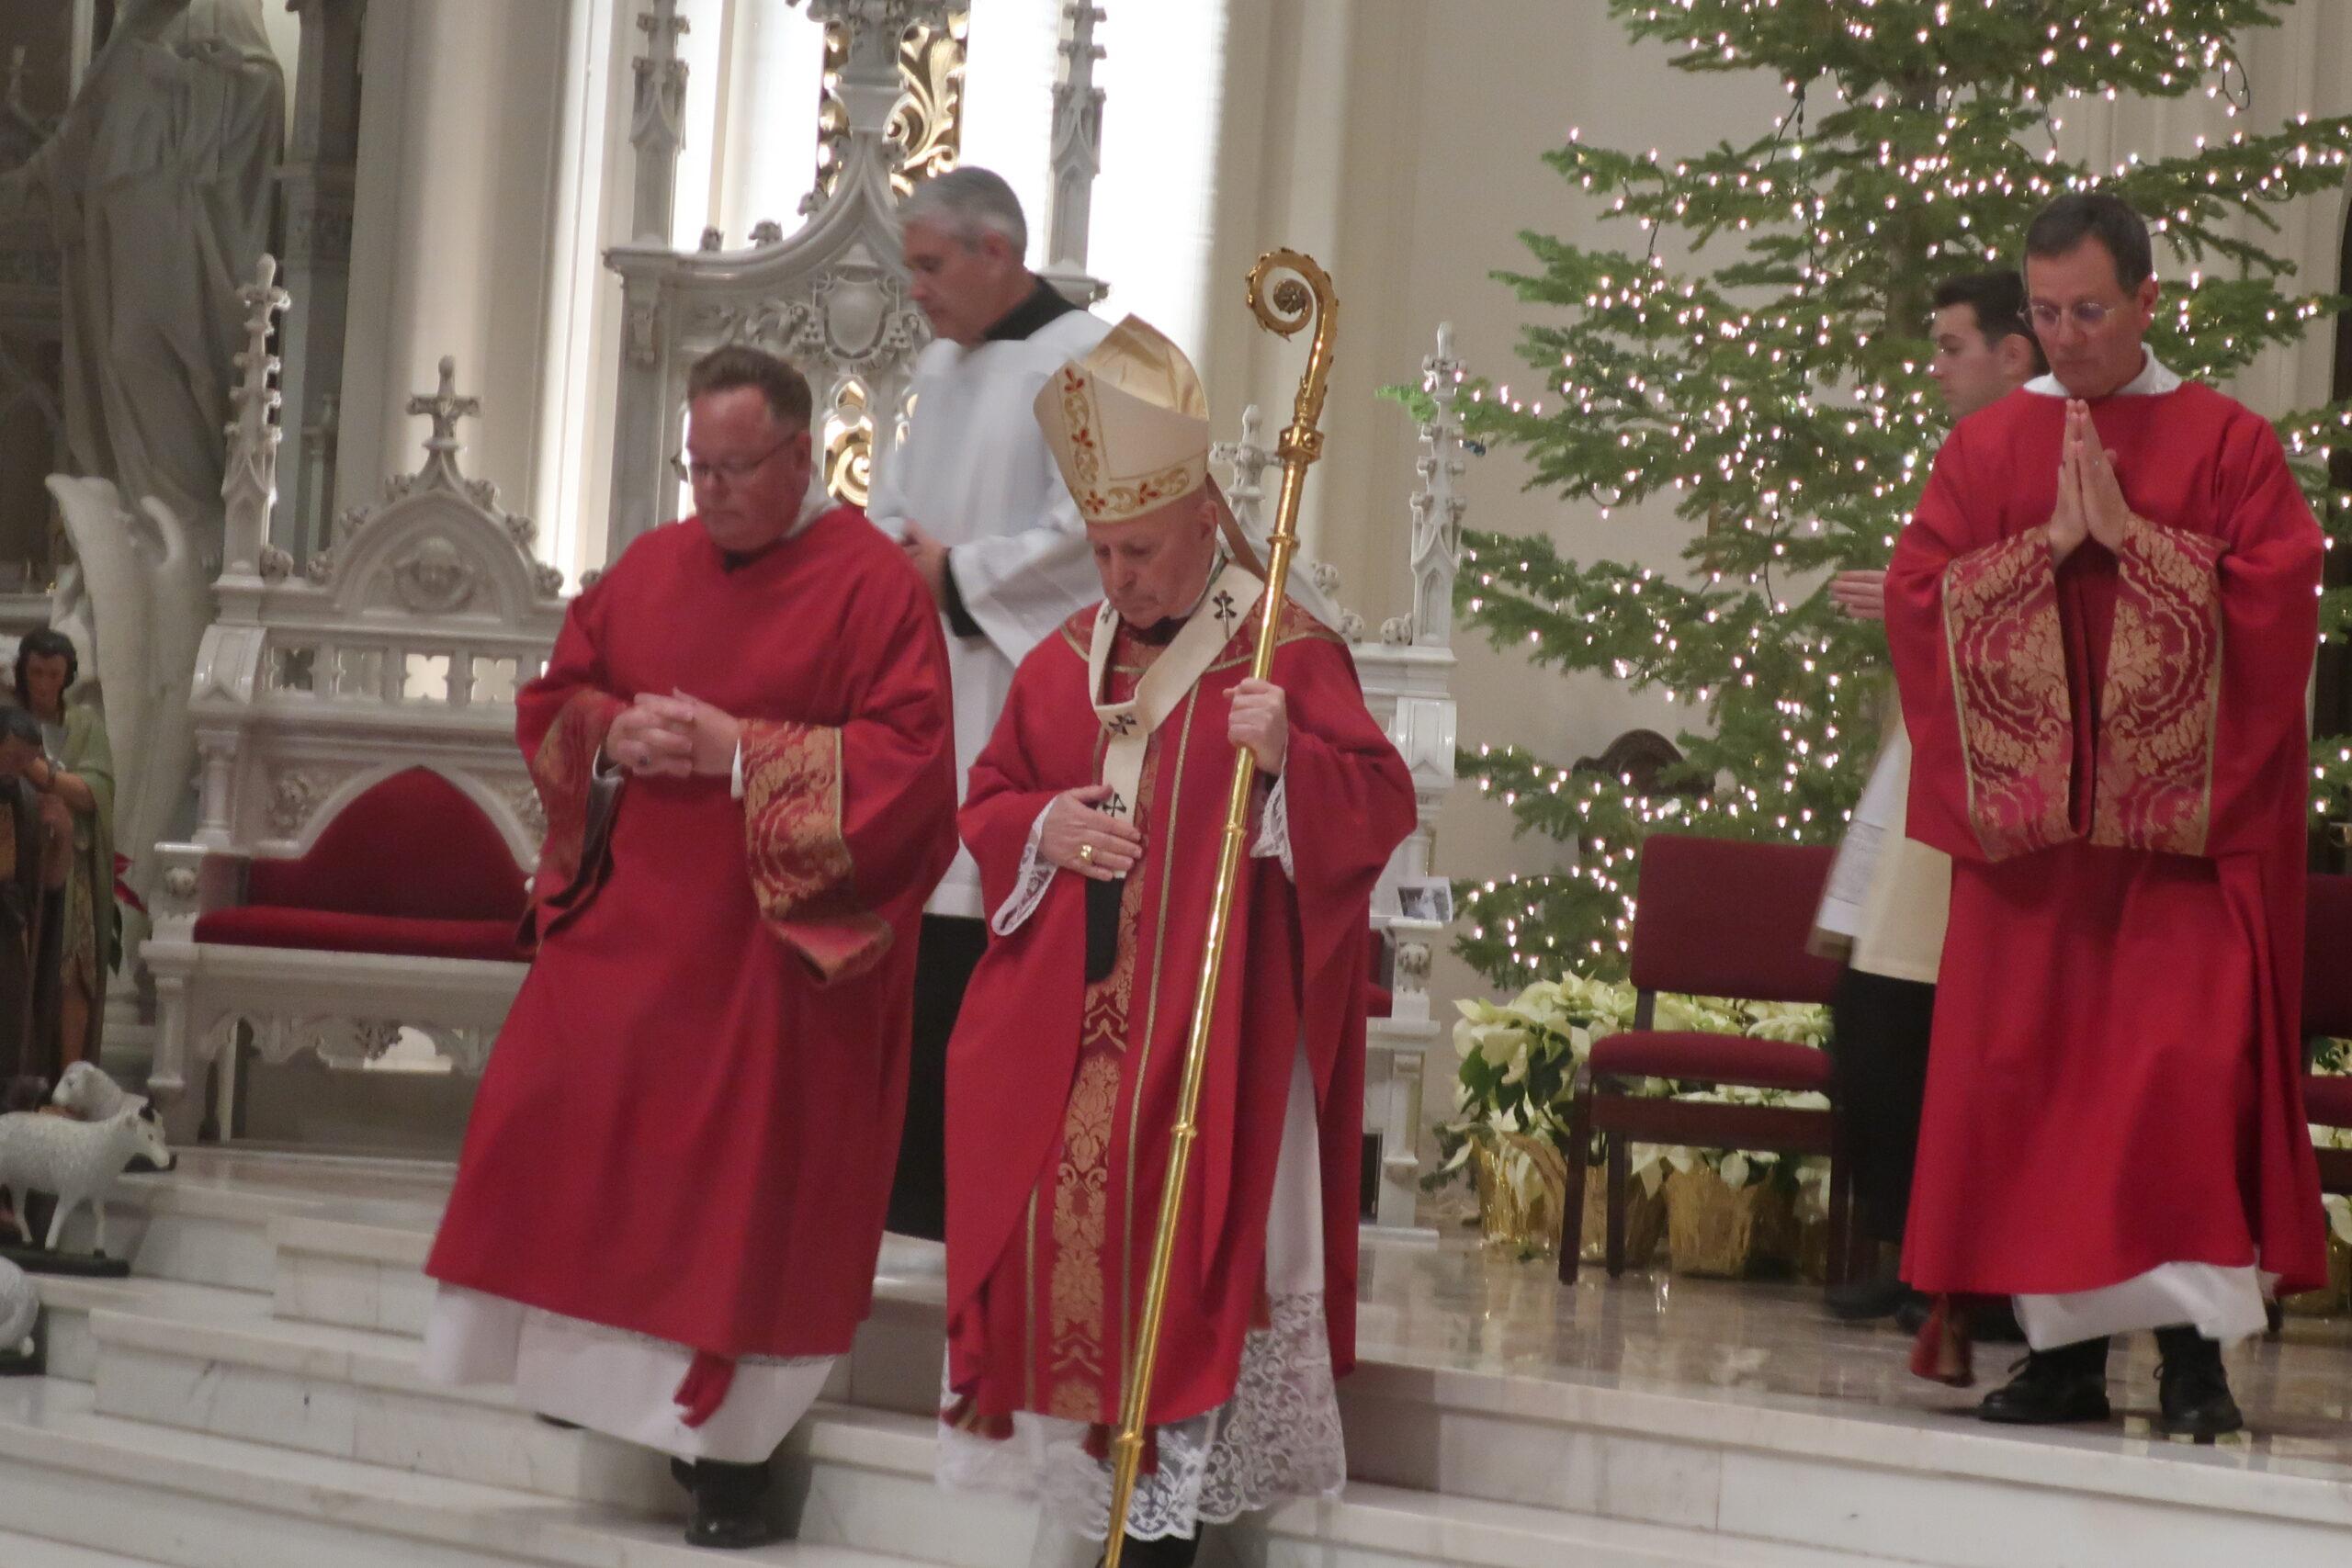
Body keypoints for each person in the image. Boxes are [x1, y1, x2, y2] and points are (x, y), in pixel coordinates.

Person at [421, 346, 958, 1549]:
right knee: (547, 1086)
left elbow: (916, 770)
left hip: (773, 944)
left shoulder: (872, 587)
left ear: (803, 456)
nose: (706, 490)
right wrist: (612, 733)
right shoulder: (654, 566)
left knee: (737, 1165)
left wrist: (743, 753)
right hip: (636, 922)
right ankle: (587, 1374)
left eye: (733, 467)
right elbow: (556, 699)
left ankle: (728, 1462)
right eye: (695, 465)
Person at [934, 317, 1417, 1566]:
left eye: (1138, 549)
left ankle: (1160, 1540)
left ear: (1205, 516)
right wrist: (1043, 822)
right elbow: (985, 800)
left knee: (1196, 1288)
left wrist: (1289, 763)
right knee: (1073, 1301)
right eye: (1099, 549)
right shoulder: (1061, 667)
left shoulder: (1284, 653)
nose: (1117, 578)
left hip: (1220, 1055)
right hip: (1078, 1048)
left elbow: (1379, 809)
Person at [1884, 193, 2327, 1438]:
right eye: (2044, 312)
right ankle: (2066, 1358)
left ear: (2144, 299)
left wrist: (2137, 544)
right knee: (2037, 1093)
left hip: (2181, 855)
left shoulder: (2229, 440)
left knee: (2179, 1086)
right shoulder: (1983, 454)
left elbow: (2282, 603)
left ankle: (2195, 1360)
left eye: (2088, 309)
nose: (2067, 335)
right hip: (2038, 857)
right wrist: (2038, 557)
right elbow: (1922, 601)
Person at [866, 166, 1112, 1243]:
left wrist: (958, 576)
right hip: (930, 685)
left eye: (929, 265)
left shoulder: (1086, 363)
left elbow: (1092, 535)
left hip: (1022, 688)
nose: (914, 290)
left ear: (996, 253)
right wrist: (892, 563)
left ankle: (985, 1198)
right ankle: (903, 1198)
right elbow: (895, 498)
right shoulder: (939, 364)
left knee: (987, 933)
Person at [1815, 272, 2041, 1325]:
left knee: (1930, 1030)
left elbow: (2048, 609)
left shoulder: (2051, 457)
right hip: (1930, 764)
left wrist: (1916, 595)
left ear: (2014, 355)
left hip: (2002, 788)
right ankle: (1911, 1249)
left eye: (1955, 346)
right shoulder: (1967, 461)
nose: (1937, 366)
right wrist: (1911, 598)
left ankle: (1970, 1272)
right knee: (1875, 1023)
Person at [14, 628, 115, 1077]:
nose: (43, 683)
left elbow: (97, 790)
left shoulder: (85, 726)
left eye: (54, 673)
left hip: (71, 863)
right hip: (14, 859)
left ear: (67, 674)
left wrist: (40, 772)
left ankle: (69, 1079)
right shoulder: (8, 718)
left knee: (72, 970)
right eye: (35, 672)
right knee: (18, 967)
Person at [0, 711, 59, 1089]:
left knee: (10, 1024)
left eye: (26, 762)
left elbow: (47, 879)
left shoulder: (21, 794)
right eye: (11, 759)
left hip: (7, 921)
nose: (19, 771)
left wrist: (61, 833)